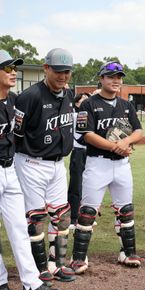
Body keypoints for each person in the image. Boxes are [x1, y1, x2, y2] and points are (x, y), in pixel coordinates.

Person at [0, 49, 63, 290]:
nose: (14, 72)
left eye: (15, 68)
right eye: (8, 68)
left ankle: (31, 283)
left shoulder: (14, 100)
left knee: (20, 226)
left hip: (10, 169)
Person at [71, 61, 144, 273]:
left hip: (122, 165)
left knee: (126, 210)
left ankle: (127, 253)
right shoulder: (88, 104)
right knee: (87, 211)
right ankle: (79, 258)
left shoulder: (126, 105)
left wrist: (126, 142)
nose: (116, 80)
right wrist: (115, 146)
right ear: (101, 78)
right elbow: (87, 135)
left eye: (119, 77)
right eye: (111, 76)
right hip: (98, 163)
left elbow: (138, 131)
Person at [14, 48, 77, 284]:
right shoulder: (30, 96)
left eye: (67, 71)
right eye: (58, 71)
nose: (63, 76)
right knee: (36, 218)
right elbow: (16, 134)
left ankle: (57, 264)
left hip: (58, 164)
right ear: (46, 68)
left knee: (62, 216)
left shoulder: (68, 94)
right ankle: (38, 268)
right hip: (31, 163)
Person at [67, 92, 91, 230]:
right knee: (76, 185)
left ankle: (86, 215)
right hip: (79, 152)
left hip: (91, 152)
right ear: (76, 103)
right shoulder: (75, 116)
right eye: (83, 100)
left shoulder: (90, 115)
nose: (87, 102)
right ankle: (73, 217)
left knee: (89, 184)